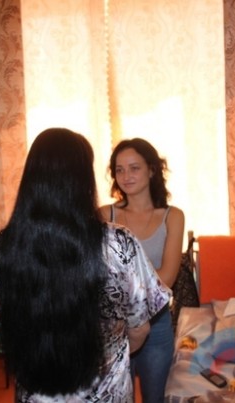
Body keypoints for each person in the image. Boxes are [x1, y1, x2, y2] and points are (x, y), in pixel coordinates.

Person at [0, 128, 170, 402]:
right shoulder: (119, 243)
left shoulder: (5, 243)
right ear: (82, 180)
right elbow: (140, 327)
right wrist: (111, 352)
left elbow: (0, 311)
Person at [99, 137, 185, 403]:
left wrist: (122, 281)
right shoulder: (104, 215)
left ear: (151, 170)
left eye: (134, 168)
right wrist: (145, 277)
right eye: (120, 170)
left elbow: (167, 278)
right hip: (113, 324)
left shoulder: (173, 216)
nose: (126, 176)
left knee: (155, 397)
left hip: (156, 323)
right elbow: (100, 276)